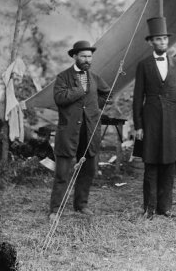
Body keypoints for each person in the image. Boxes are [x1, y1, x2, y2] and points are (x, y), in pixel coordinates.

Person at [49, 41, 111, 221]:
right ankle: (55, 209)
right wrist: (79, 90)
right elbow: (59, 98)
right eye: (83, 56)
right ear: (75, 56)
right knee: (63, 171)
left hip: (90, 130)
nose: (87, 59)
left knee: (88, 169)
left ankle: (81, 205)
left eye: (89, 56)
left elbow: (107, 93)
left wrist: (94, 108)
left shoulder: (95, 77)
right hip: (68, 132)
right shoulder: (63, 77)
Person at [133, 17, 176, 220]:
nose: (163, 42)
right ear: (151, 42)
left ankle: (165, 208)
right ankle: (149, 208)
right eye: (158, 39)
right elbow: (138, 97)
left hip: (172, 122)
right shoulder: (143, 65)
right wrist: (138, 125)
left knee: (169, 167)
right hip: (151, 122)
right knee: (151, 166)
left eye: (165, 39)